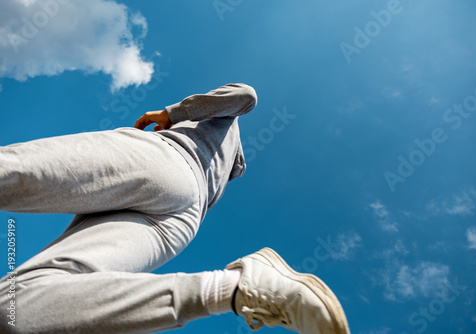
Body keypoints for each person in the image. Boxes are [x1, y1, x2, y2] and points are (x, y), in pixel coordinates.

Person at [0, 83, 350, 334]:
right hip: (182, 218)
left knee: (10, 173)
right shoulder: (227, 171)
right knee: (13, 309)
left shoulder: (224, 123)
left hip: (165, 161)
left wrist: (172, 113)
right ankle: (234, 290)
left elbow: (246, 96)